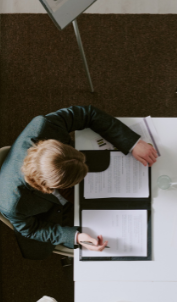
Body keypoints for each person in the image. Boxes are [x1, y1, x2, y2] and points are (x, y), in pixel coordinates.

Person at [0, 105, 157, 260]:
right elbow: (31, 229)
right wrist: (76, 237)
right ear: (50, 186)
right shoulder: (12, 202)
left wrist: (132, 143)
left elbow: (87, 114)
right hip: (54, 214)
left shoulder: (45, 127)